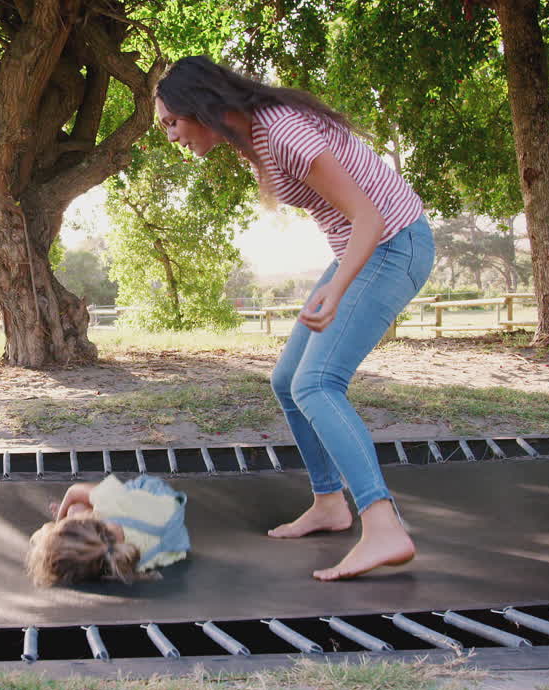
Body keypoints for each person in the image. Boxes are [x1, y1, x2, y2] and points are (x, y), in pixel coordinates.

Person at [155, 56, 434, 581]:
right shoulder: (255, 133)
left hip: (394, 243)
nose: (171, 136)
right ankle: (331, 504)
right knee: (288, 380)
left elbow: (370, 216)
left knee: (318, 383)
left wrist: (336, 286)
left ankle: (383, 525)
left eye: (171, 121)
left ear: (201, 105)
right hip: (368, 244)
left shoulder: (281, 131)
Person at [27, 474, 190, 587]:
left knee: (76, 509)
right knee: (75, 507)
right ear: (88, 521)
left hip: (174, 540)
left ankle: (79, 511)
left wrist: (60, 525)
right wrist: (61, 521)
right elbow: (73, 490)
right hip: (160, 498)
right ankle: (79, 511)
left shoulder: (122, 562)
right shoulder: (113, 504)